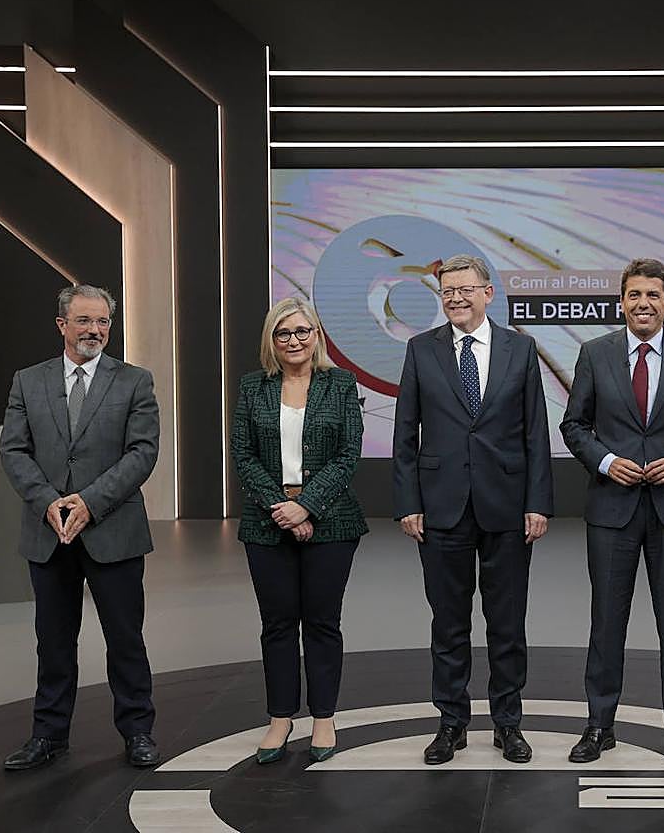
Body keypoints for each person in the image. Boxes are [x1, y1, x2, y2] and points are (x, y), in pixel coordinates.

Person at [560, 257, 664, 766]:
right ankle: (599, 726)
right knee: (606, 622)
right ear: (622, 303)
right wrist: (607, 462)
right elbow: (574, 426)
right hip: (611, 509)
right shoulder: (595, 353)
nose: (643, 303)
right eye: (634, 295)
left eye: (653, 295)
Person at [392, 253, 553, 765]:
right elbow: (404, 433)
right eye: (447, 291)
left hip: (507, 507)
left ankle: (508, 724)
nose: (455, 298)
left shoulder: (520, 349)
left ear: (488, 293)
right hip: (441, 508)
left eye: (465, 289)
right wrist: (408, 502)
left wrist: (538, 503)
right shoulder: (421, 350)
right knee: (448, 624)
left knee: (507, 624)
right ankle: (451, 724)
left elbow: (536, 433)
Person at [0, 284, 161, 770]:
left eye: (103, 321)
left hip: (114, 531)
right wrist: (48, 502)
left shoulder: (134, 381)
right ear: (62, 325)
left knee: (125, 640)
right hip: (49, 533)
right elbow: (13, 450)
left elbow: (143, 452)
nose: (95, 330)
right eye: (85, 321)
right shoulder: (28, 381)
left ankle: (138, 731)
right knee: (53, 642)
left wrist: (90, 503)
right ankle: (48, 735)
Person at [231, 297, 368, 764]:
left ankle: (324, 717)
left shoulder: (341, 383)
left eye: (302, 331)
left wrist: (306, 506)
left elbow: (348, 453)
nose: (293, 340)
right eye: (283, 333)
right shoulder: (253, 386)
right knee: (277, 623)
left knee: (323, 622)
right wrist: (283, 509)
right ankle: (280, 718)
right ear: (271, 340)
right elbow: (243, 454)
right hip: (266, 521)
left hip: (332, 521)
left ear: (316, 336)